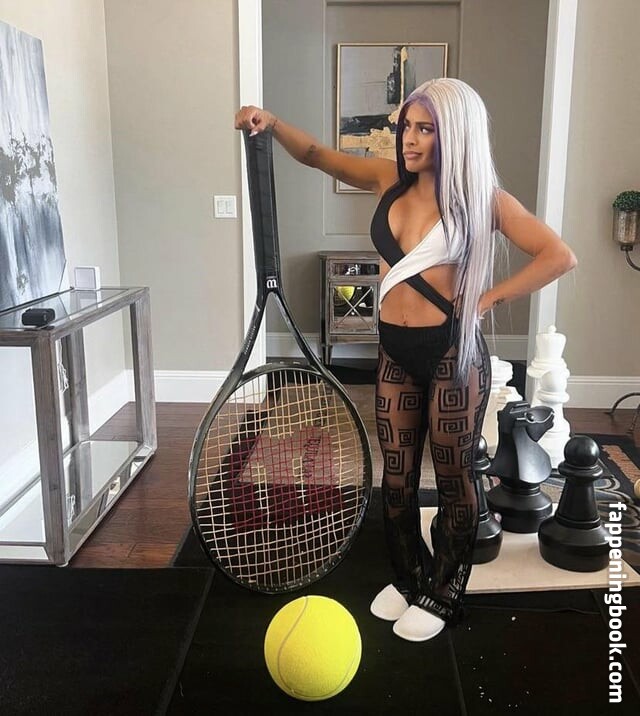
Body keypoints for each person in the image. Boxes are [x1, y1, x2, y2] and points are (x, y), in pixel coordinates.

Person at [235, 78, 577, 642]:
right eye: (406, 127)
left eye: (425, 129)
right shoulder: (386, 179)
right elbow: (316, 155)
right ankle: (408, 575)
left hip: (452, 352)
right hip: (394, 348)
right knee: (395, 478)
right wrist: (271, 123)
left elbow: (558, 254)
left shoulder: (483, 199)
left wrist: (486, 300)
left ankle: (444, 590)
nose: (409, 139)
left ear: (455, 135)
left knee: (453, 475)